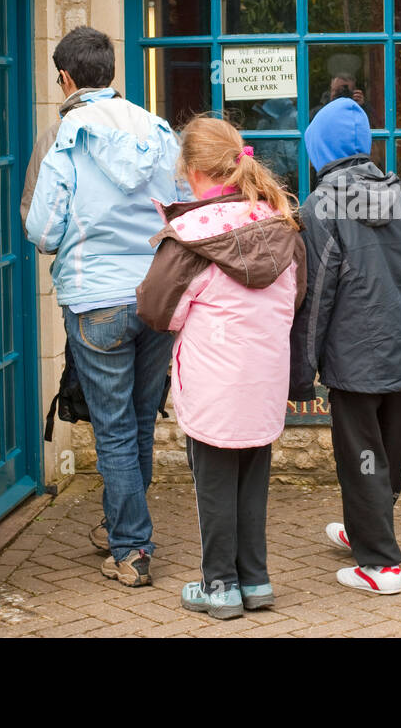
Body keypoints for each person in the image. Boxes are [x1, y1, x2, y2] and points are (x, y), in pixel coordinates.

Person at [21, 26, 187, 588]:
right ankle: (127, 531)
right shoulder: (158, 130)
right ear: (111, 72)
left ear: (65, 78)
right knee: (140, 420)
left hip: (95, 299)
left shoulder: (66, 135)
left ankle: (132, 547)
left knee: (113, 429)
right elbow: (178, 210)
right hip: (156, 294)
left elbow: (43, 229)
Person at [136, 117, 306, 620]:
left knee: (212, 486)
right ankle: (256, 580)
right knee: (253, 481)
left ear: (192, 171)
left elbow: (156, 310)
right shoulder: (282, 225)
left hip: (213, 383)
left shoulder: (189, 238)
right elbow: (295, 299)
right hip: (265, 378)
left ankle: (221, 586)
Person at [289, 97, 401, 595]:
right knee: (386, 454)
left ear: (319, 150)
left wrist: (301, 372)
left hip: (353, 358)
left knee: (360, 456)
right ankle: (366, 530)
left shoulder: (318, 208)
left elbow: (314, 299)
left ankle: (381, 566)